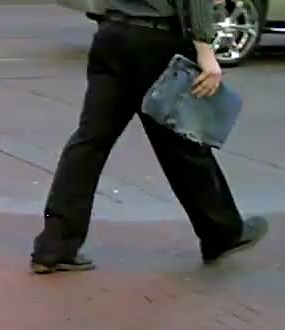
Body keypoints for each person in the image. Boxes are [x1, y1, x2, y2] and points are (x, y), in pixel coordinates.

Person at [29, 0, 269, 274]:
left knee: (90, 141)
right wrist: (206, 50)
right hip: (157, 38)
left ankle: (54, 245)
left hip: (112, 33)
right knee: (183, 145)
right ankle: (221, 232)